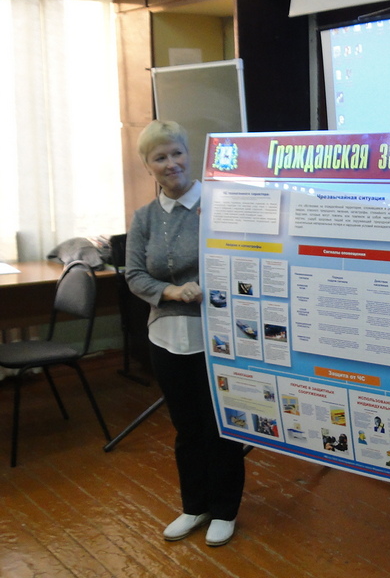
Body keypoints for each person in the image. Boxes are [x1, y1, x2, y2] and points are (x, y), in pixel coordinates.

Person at [126, 120, 245, 547]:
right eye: (160, 157)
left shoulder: (218, 205)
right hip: (165, 339)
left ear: (190, 155)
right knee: (186, 428)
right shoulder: (144, 217)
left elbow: (242, 261)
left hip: (217, 338)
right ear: (148, 166)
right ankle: (194, 506)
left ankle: (225, 510)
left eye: (177, 153)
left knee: (221, 428)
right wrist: (172, 292)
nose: (171, 163)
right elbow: (134, 275)